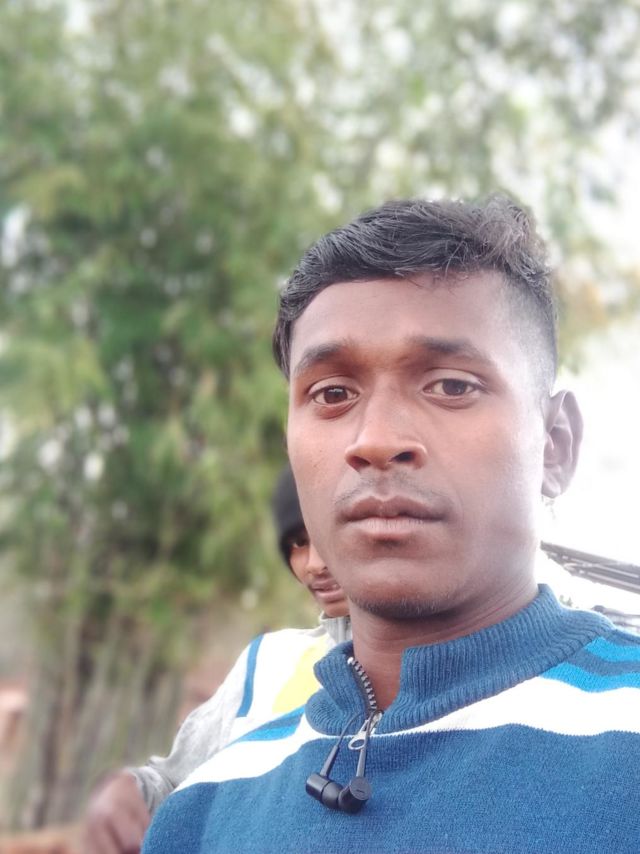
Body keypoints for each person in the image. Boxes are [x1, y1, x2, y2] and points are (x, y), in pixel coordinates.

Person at [143, 195, 640, 853]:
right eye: (332, 394)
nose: (375, 439)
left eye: (451, 386)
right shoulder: (204, 810)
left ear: (554, 443)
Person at [83, 465, 349, 854]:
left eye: (326, 535)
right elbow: (173, 783)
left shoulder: (429, 670)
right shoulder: (269, 661)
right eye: (297, 543)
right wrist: (128, 793)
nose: (314, 564)